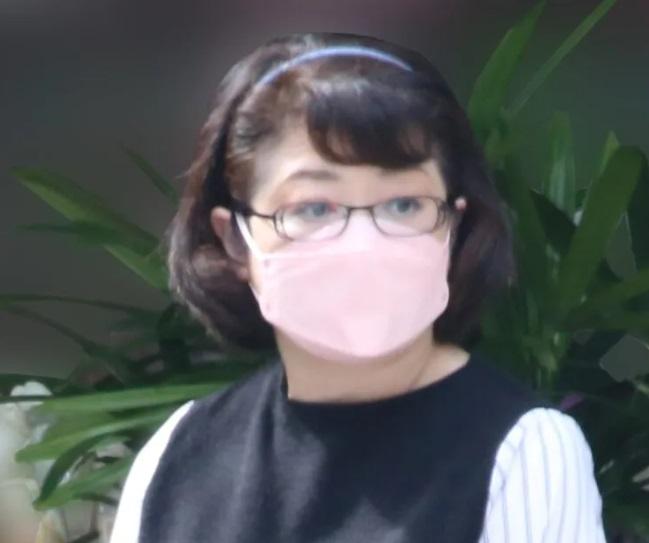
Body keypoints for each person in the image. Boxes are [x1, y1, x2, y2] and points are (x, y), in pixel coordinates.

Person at [109, 32, 607, 542]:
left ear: (453, 227)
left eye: (403, 205)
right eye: (313, 208)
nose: (363, 243)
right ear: (235, 239)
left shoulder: (522, 450)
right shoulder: (179, 454)